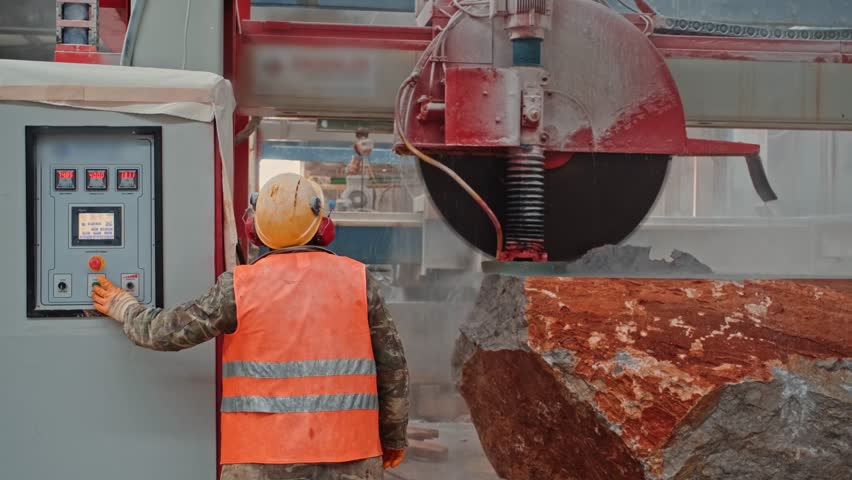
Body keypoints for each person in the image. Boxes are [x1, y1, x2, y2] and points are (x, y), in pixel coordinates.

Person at [92, 173, 409, 480]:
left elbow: (166, 332)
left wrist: (125, 308)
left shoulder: (239, 288)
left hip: (258, 460)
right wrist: (393, 437)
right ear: (323, 226)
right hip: (350, 455)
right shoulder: (358, 281)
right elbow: (393, 367)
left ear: (255, 228)